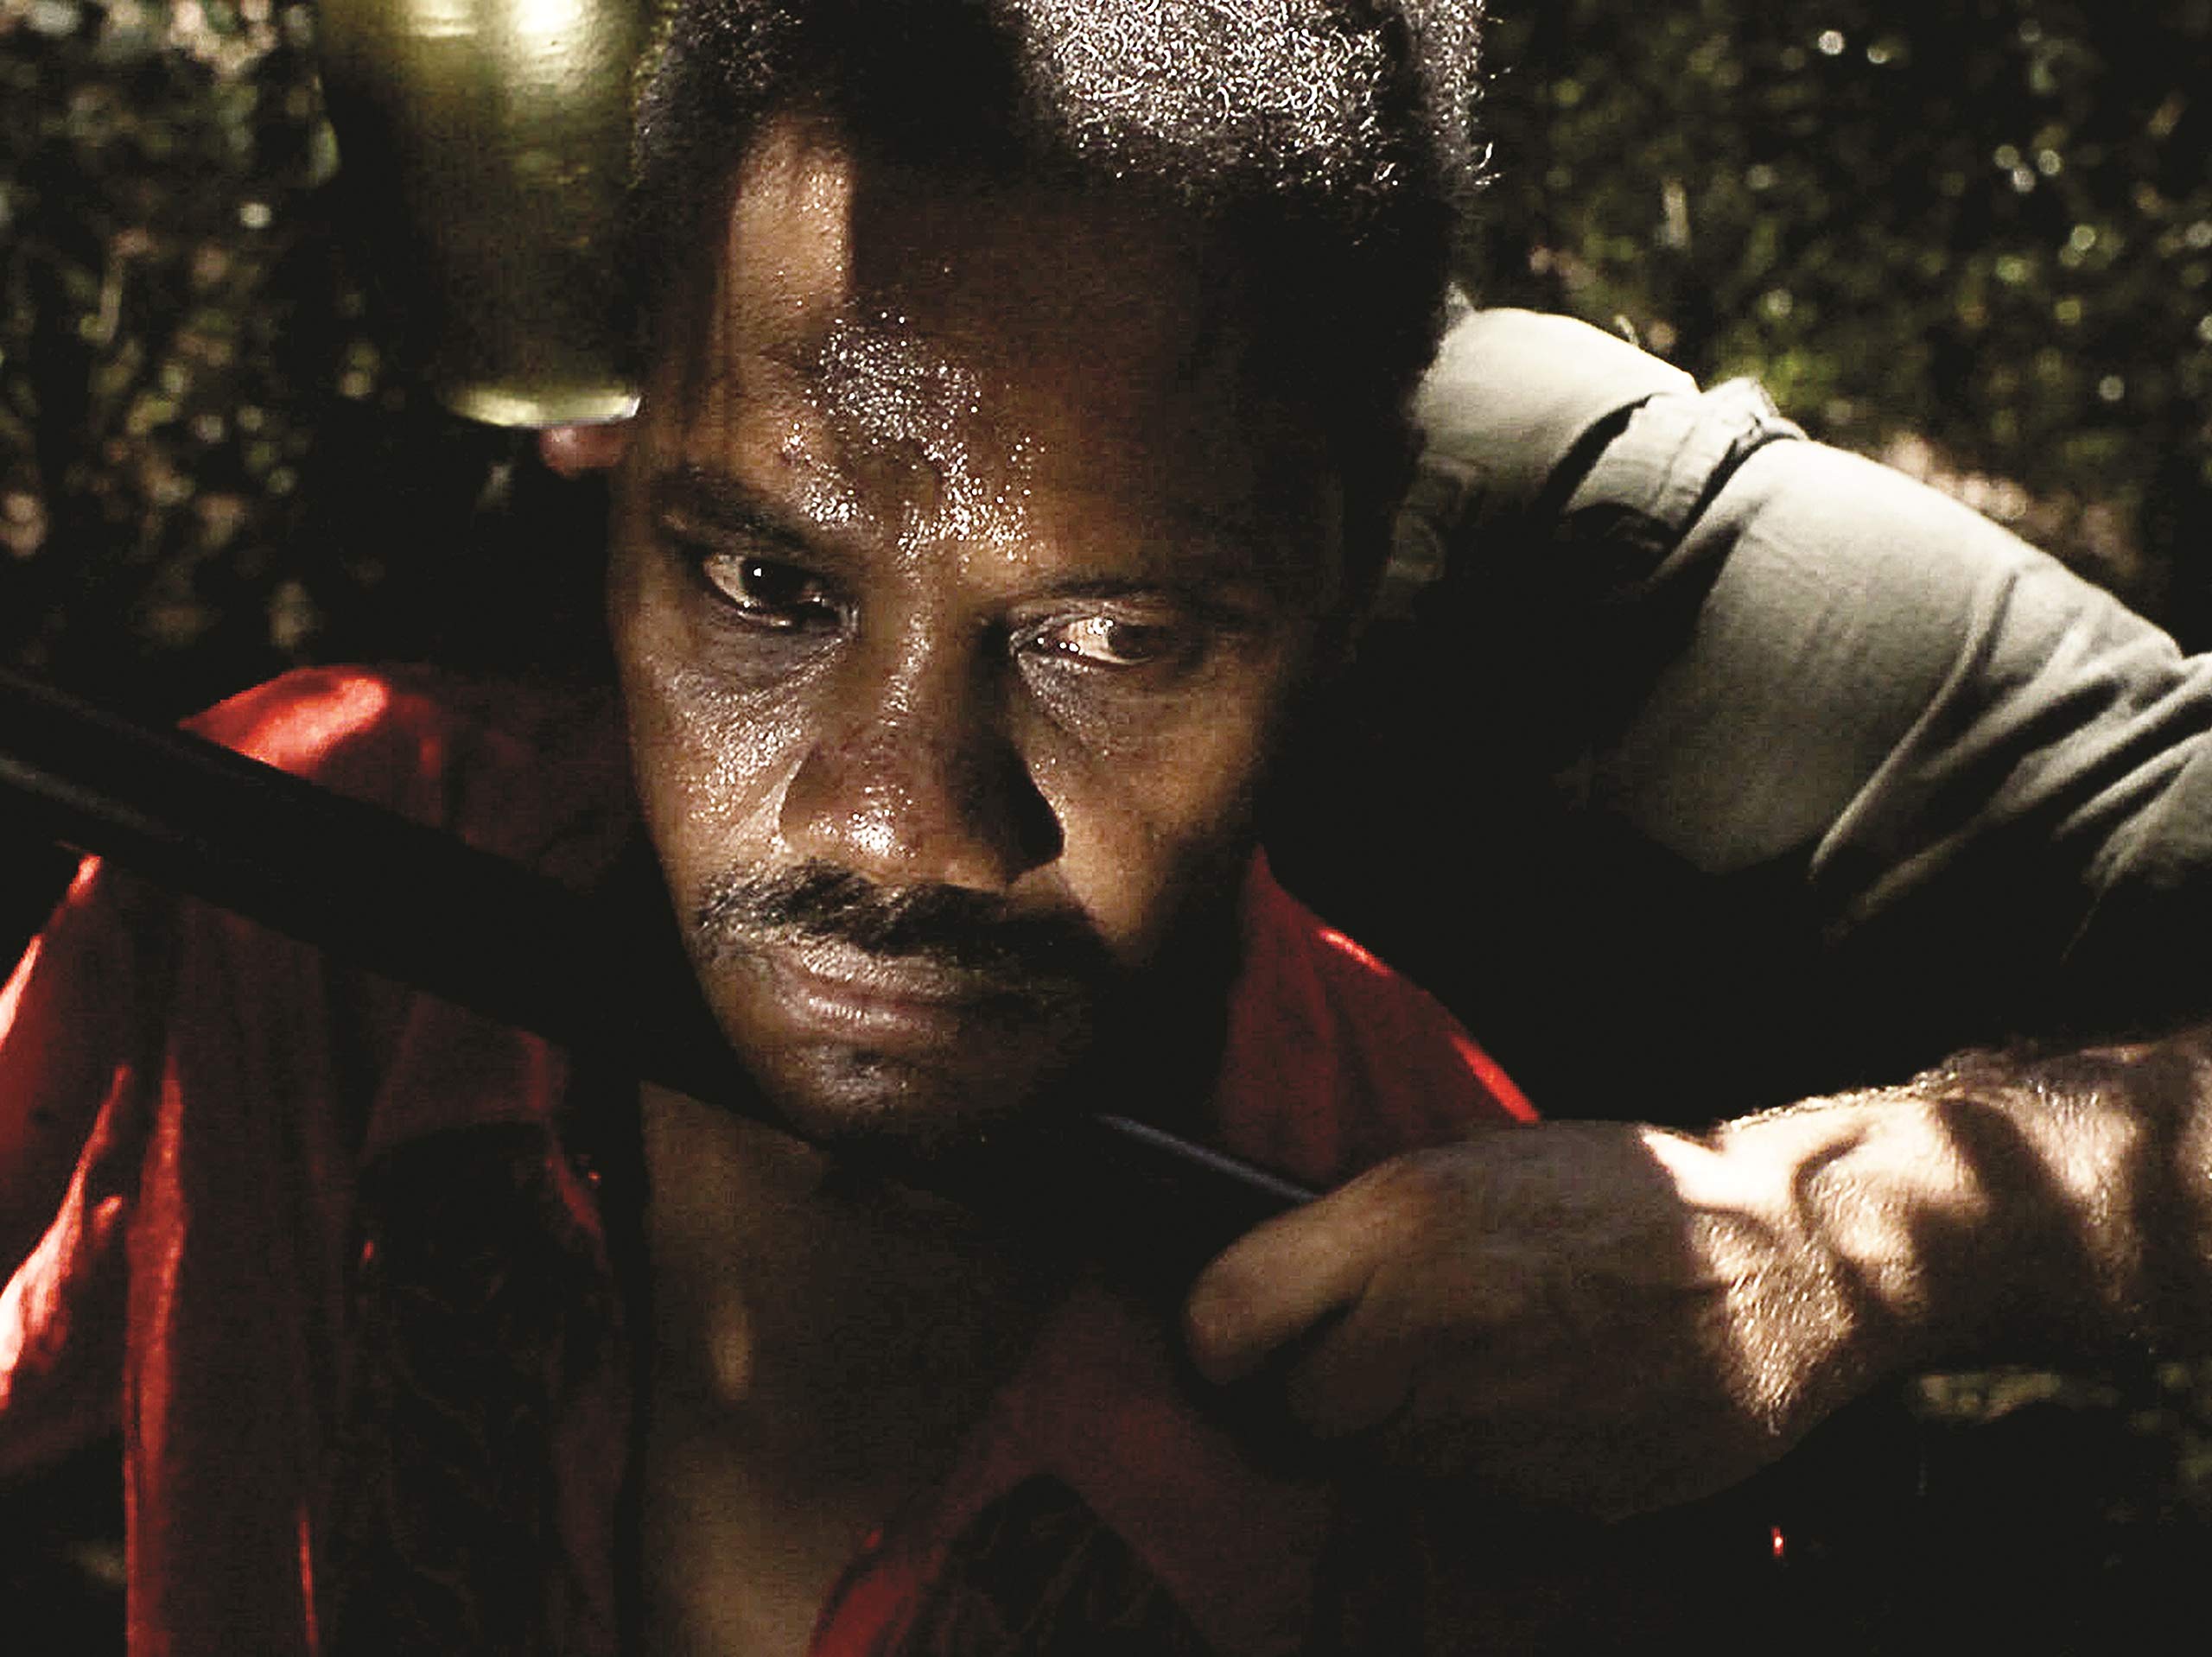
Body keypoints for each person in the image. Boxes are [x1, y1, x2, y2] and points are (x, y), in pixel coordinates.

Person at [0, 2, 1554, 1652]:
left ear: (1350, 571)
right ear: (609, 449)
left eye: (1115, 638)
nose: (895, 828)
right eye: (767, 584)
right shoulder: (292, 888)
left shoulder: (1503, 1333)